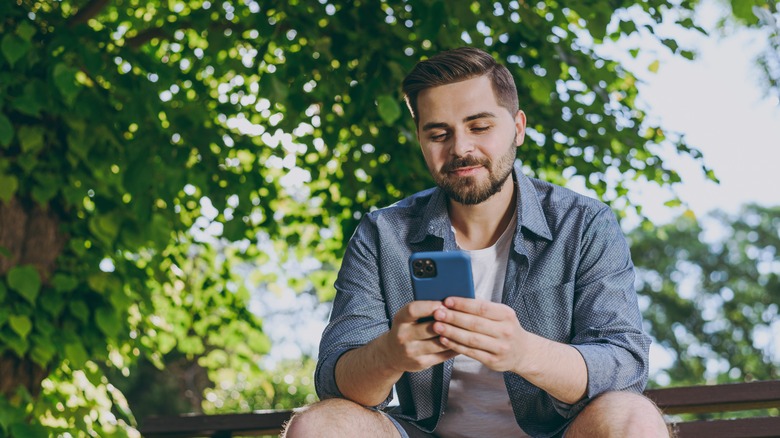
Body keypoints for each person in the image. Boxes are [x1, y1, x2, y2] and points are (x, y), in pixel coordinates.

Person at [284, 47, 669, 438]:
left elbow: (623, 363)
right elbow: (335, 381)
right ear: (420, 140)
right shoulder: (382, 234)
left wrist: (523, 352)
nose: (460, 149)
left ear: (518, 127)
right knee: (321, 425)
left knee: (632, 418)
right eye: (438, 134)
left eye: (479, 126)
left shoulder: (584, 224)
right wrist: (389, 354)